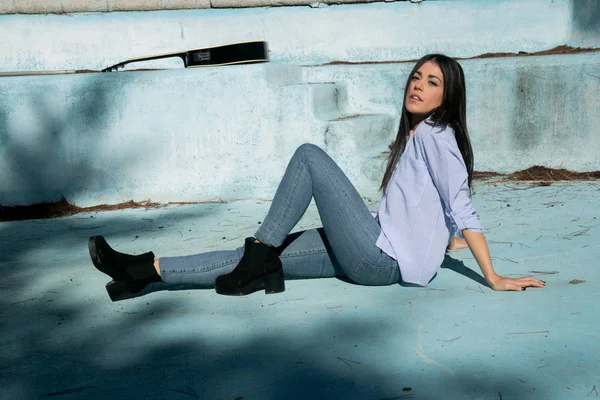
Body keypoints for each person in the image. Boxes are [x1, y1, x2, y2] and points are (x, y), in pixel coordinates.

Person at [88, 54, 546, 302]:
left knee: (309, 157)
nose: (417, 85)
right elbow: (435, 208)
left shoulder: (436, 133)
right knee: (252, 257)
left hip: (375, 258)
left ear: (447, 98)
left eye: (431, 82)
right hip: (370, 251)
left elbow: (460, 204)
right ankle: (142, 273)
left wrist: (494, 275)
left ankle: (260, 253)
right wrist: (446, 241)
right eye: (416, 76)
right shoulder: (419, 135)